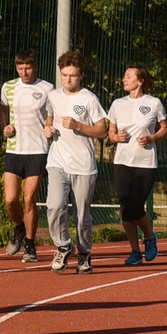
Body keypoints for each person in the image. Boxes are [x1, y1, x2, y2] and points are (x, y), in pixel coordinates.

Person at [45, 53, 109, 273]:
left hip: (83, 164)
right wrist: (48, 128)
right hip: (57, 160)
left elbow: (103, 130)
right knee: (54, 206)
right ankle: (63, 246)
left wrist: (79, 126)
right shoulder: (53, 96)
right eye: (64, 75)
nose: (68, 79)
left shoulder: (89, 99)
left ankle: (84, 252)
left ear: (81, 75)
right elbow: (49, 118)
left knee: (82, 215)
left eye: (73, 75)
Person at [108, 63, 167, 265]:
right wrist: (116, 137)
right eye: (124, 76)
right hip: (122, 162)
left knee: (136, 206)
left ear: (140, 80)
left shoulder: (154, 103)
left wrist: (151, 138)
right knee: (125, 208)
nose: (124, 79)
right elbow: (110, 132)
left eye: (128, 76)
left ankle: (149, 237)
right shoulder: (117, 104)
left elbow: (164, 128)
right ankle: (135, 252)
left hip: (145, 163)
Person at [0, 53, 54, 263]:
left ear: (35, 67)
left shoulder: (47, 88)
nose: (24, 72)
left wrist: (49, 126)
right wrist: (5, 126)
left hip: (38, 150)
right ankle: (19, 228)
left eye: (28, 68)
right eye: (20, 68)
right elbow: (3, 110)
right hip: (14, 150)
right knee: (10, 200)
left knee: (29, 198)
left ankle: (30, 245)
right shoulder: (8, 87)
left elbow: (50, 114)